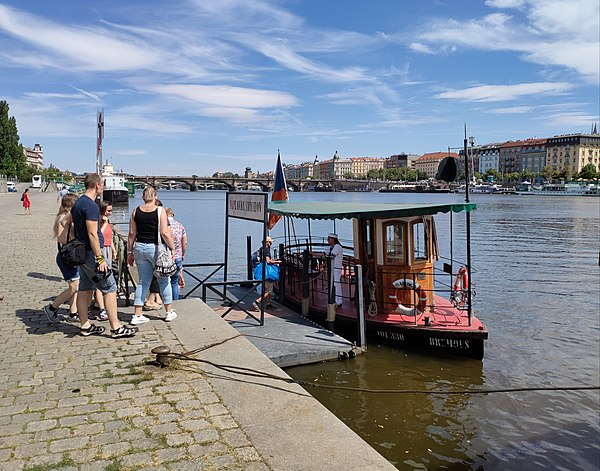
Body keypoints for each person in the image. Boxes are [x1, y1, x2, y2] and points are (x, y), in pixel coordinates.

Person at [71, 173, 137, 338]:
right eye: (102, 184)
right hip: (92, 253)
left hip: (81, 253)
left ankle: (85, 325)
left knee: (85, 289)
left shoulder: (77, 203)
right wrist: (100, 258)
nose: (103, 187)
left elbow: (74, 228)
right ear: (97, 186)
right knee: (110, 288)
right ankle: (116, 327)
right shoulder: (91, 206)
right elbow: (92, 234)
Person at [127, 186, 177, 324]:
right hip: (156, 249)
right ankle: (169, 312)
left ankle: (137, 314)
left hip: (139, 248)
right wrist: (172, 248)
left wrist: (129, 252)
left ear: (143, 197)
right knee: (164, 280)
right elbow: (165, 233)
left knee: (143, 282)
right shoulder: (160, 210)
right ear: (155, 197)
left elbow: (131, 234)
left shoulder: (135, 211)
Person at [42, 193, 80, 322]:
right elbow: (62, 238)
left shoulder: (63, 216)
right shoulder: (65, 218)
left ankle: (73, 312)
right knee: (75, 287)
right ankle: (52, 307)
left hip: (71, 256)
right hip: (68, 257)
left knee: (76, 284)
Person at [90, 201, 115, 322]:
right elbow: (99, 234)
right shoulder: (99, 221)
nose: (110, 213)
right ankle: (102, 308)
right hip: (101, 249)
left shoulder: (107, 221)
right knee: (102, 279)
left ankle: (99, 304)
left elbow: (110, 237)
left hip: (108, 249)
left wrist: (114, 250)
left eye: (111, 210)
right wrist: (105, 223)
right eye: (108, 210)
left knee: (106, 277)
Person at [252, 236, 280, 311]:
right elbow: (268, 261)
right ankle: (256, 302)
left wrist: (273, 260)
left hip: (263, 270)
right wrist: (277, 262)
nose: (271, 243)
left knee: (267, 289)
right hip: (267, 273)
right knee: (269, 290)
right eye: (270, 242)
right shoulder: (267, 250)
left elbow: (264, 260)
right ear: (267, 242)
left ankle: (268, 304)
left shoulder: (261, 249)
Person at [166, 207, 187, 300]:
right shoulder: (180, 225)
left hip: (166, 256)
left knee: (164, 281)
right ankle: (175, 301)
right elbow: (184, 242)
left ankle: (166, 301)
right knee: (174, 281)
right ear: (172, 215)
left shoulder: (163, 225)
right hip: (177, 256)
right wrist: (183, 254)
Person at [327, 233, 343, 307]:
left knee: (336, 284)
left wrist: (324, 265)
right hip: (332, 268)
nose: (327, 240)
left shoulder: (337, 247)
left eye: (329, 238)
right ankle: (335, 299)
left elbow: (331, 256)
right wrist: (312, 253)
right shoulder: (331, 247)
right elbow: (325, 253)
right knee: (333, 283)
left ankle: (338, 301)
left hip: (336, 268)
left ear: (333, 240)